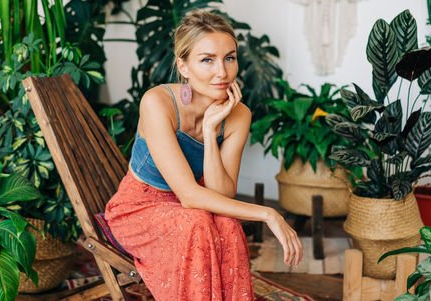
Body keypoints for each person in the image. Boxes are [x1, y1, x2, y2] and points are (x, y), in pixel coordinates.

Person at [105, 10, 303, 301]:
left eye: (229, 58)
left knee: (227, 225)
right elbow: (189, 196)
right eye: (207, 60)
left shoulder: (238, 116)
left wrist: (210, 132)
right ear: (183, 66)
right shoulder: (158, 103)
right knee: (196, 222)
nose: (222, 72)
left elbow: (220, 192)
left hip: (194, 206)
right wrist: (268, 214)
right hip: (139, 208)